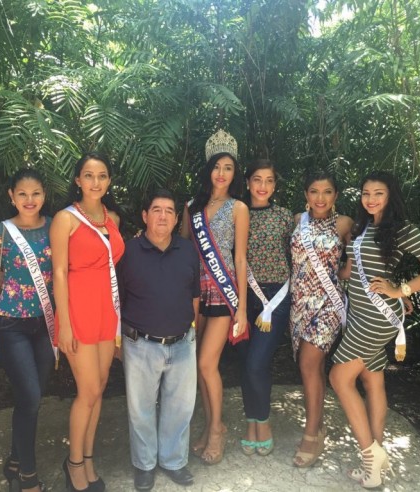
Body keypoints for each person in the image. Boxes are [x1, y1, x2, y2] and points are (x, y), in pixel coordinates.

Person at [329, 171, 420, 488]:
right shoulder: (365, 227)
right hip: (360, 312)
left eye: (378, 193)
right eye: (366, 193)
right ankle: (375, 462)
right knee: (372, 379)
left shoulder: (401, 229)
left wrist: (402, 291)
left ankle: (370, 454)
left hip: (375, 317)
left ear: (390, 195)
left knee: (339, 378)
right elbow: (352, 272)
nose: (370, 199)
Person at [51, 152, 124, 492]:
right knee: (88, 389)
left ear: (109, 181)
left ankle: (89, 459)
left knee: (100, 388)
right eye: (88, 175)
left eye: (102, 175)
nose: (96, 182)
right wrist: (63, 324)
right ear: (78, 180)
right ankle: (74, 462)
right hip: (77, 309)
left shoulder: (113, 219)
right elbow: (59, 274)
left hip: (106, 310)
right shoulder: (65, 219)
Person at [118, 189, 200, 491]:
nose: (163, 215)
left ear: (177, 218)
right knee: (140, 409)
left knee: (179, 408)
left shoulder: (188, 250)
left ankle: (173, 461)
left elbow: (194, 296)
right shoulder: (128, 252)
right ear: (145, 215)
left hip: (182, 342)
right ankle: (145, 465)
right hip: (140, 344)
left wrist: (191, 334)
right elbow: (120, 301)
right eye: (156, 210)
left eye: (169, 210)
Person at [180, 129, 249, 465]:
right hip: (195, 294)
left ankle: (218, 429)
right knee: (198, 365)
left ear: (235, 174)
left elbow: (239, 258)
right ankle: (210, 426)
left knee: (207, 363)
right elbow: (180, 249)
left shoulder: (238, 208)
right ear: (207, 169)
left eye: (229, 168)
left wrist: (243, 311)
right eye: (217, 167)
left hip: (223, 292)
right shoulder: (190, 207)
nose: (222, 174)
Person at [0, 169, 56, 492]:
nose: (30, 200)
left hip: (45, 324)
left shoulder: (56, 227)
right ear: (11, 196)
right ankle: (27, 476)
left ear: (44, 195)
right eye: (23, 194)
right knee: (28, 395)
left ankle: (15, 458)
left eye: (36, 193)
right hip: (10, 324)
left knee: (34, 397)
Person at [288, 171, 353, 468]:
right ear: (306, 194)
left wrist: (344, 272)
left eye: (327, 192)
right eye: (314, 191)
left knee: (309, 363)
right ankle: (319, 424)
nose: (320, 198)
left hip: (327, 304)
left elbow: (364, 253)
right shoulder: (297, 220)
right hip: (299, 304)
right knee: (313, 366)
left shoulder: (344, 223)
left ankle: (311, 434)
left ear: (335, 195)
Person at [235, 159, 294, 457]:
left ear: (275, 185)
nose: (262, 186)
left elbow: (296, 256)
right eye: (257, 179)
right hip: (244, 297)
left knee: (257, 363)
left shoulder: (285, 216)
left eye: (269, 180)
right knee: (247, 364)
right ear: (247, 183)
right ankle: (251, 423)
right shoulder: (237, 212)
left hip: (277, 297)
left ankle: (264, 422)